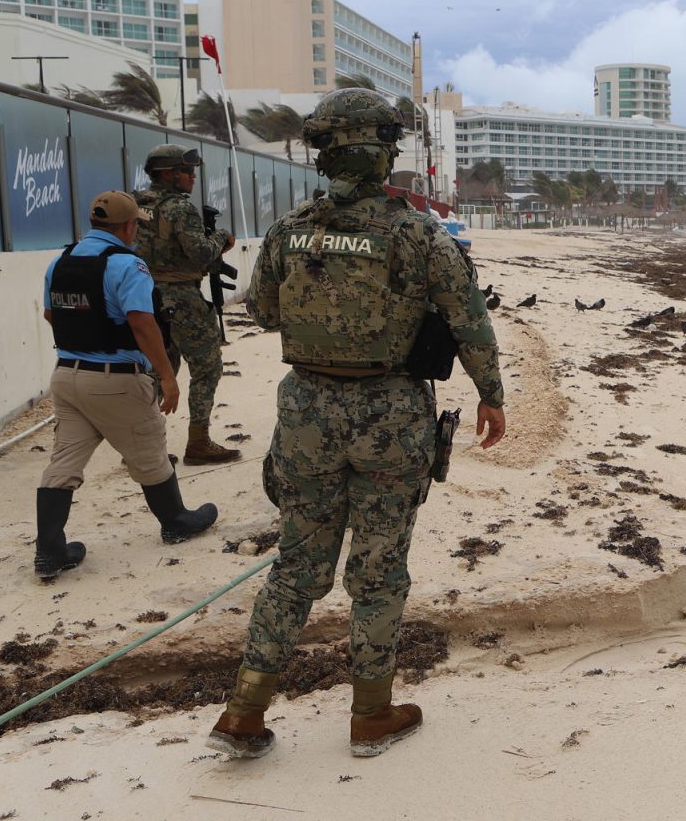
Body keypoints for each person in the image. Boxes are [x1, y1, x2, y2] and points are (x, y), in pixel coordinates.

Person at [208, 88, 506, 760]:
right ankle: (371, 713)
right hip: (391, 417)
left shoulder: (290, 230)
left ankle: (244, 710)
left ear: (323, 153)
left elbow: (262, 310)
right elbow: (468, 319)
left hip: (307, 412)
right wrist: (491, 394)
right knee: (378, 570)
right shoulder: (418, 232)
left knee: (295, 567)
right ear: (385, 152)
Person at [35, 192, 219, 579]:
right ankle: (175, 521)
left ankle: (49, 550)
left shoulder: (61, 260)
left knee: (65, 460)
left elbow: (52, 313)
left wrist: (84, 343)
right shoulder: (127, 265)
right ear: (130, 226)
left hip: (66, 376)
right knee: (150, 450)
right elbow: (141, 322)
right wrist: (167, 375)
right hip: (115, 380)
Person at [134, 145, 241, 465]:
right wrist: (223, 238)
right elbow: (201, 254)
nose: (193, 177)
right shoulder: (180, 209)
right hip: (182, 297)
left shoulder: (137, 204)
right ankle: (198, 441)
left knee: (156, 369)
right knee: (207, 367)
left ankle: (145, 447)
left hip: (145, 296)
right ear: (168, 174)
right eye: (187, 172)